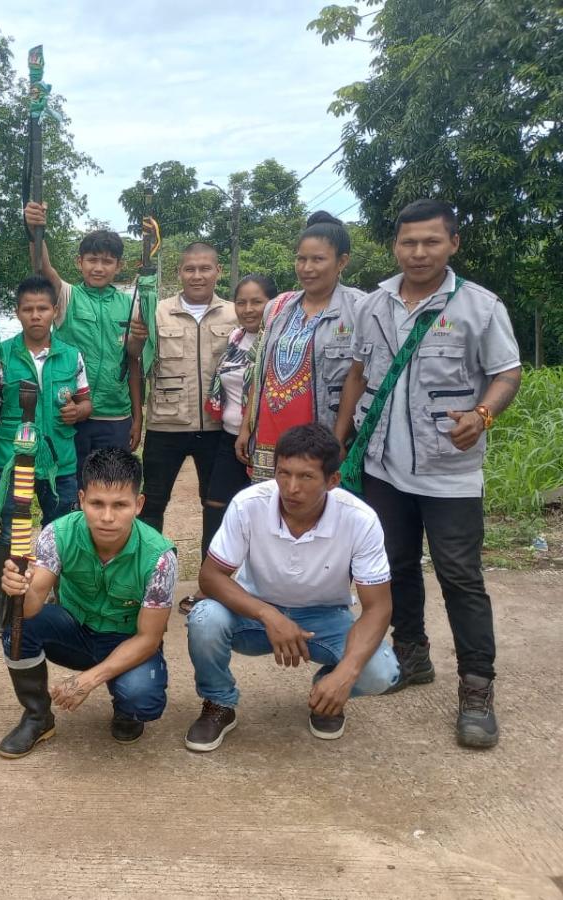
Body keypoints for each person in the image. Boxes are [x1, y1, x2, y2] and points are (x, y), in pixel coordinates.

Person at [335, 199, 521, 749]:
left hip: (448, 472)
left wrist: (483, 414)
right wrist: (341, 441)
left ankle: (477, 688)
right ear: (395, 246)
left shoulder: (479, 306)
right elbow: (359, 373)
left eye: (431, 242)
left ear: (453, 244)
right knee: (392, 566)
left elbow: (507, 373)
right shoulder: (374, 304)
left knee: (460, 577)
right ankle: (412, 656)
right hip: (382, 468)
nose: (419, 252)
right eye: (409, 242)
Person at [184, 424, 399, 752]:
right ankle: (219, 702)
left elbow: (378, 607)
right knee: (204, 618)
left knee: (381, 672)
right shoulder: (249, 504)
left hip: (325, 617)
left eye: (306, 477)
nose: (291, 488)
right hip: (253, 614)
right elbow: (211, 577)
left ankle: (326, 693)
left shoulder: (360, 520)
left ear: (332, 480)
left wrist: (345, 674)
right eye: (283, 473)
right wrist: (268, 614)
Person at [0, 449, 176, 757]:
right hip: (76, 631)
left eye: (120, 505)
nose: (107, 517)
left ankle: (126, 709)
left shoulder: (160, 558)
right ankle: (38, 716)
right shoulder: (57, 534)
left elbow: (149, 638)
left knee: (142, 699)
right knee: (18, 627)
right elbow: (32, 607)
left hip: (127, 639)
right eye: (97, 503)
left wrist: (88, 680)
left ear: (138, 504)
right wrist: (18, 590)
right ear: (81, 500)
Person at [0, 275, 91, 637]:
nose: (35, 315)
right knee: (9, 533)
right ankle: (4, 607)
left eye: (43, 308)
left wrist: (78, 411)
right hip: (15, 462)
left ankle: (61, 601)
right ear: (18, 312)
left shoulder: (71, 355)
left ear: (55, 311)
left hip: (61, 464)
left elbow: (86, 402)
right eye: (28, 309)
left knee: (62, 532)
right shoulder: (0, 355)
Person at [127, 241, 237, 559]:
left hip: (217, 428)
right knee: (152, 503)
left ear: (218, 270)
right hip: (165, 425)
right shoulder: (156, 310)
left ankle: (211, 576)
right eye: (190, 269)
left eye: (205, 268)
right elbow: (134, 358)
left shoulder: (234, 313)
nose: (197, 275)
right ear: (179, 272)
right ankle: (148, 571)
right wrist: (136, 339)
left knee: (216, 504)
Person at [236, 212, 365, 482]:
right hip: (269, 432)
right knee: (269, 503)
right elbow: (261, 371)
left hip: (321, 435)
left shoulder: (360, 308)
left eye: (318, 259)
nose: (307, 268)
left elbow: (359, 377)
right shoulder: (278, 307)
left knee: (312, 501)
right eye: (301, 259)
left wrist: (338, 439)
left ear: (342, 261)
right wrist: (247, 427)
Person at [23, 201, 142, 480]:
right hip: (71, 415)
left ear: (119, 266)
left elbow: (133, 364)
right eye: (92, 260)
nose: (98, 268)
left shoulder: (131, 305)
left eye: (107, 262)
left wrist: (137, 418)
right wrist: (35, 229)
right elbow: (42, 266)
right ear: (80, 262)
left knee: (110, 486)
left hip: (116, 417)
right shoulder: (66, 296)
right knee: (71, 487)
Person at [202, 275, 277, 560]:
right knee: (216, 505)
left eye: (257, 302)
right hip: (229, 436)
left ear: (272, 303)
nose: (248, 309)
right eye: (241, 302)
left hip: (264, 442)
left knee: (262, 512)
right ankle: (211, 573)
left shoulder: (276, 342)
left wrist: (248, 429)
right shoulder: (235, 338)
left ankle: (256, 574)